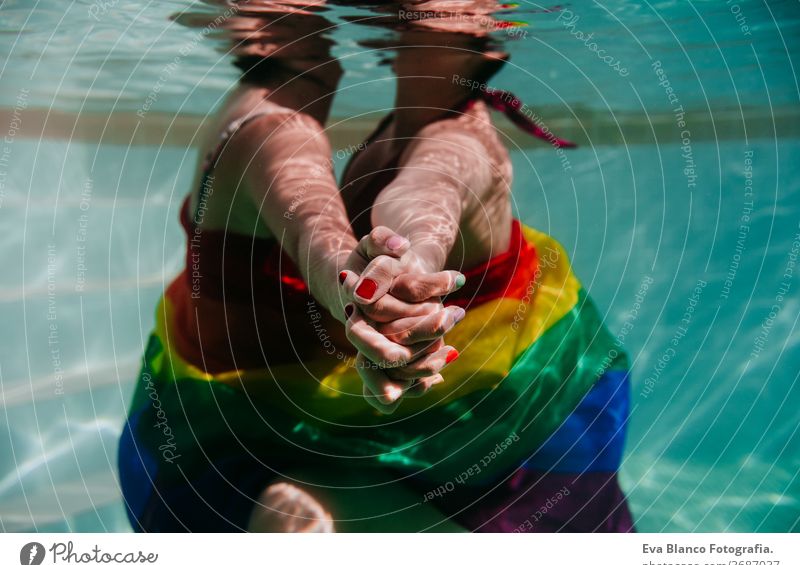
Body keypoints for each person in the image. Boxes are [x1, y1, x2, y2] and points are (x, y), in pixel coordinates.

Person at [118, 0, 635, 532]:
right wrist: (383, 291)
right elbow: (355, 214)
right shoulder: (267, 134)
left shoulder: (453, 144)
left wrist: (393, 284)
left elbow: (412, 199)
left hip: (481, 441)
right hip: (277, 449)